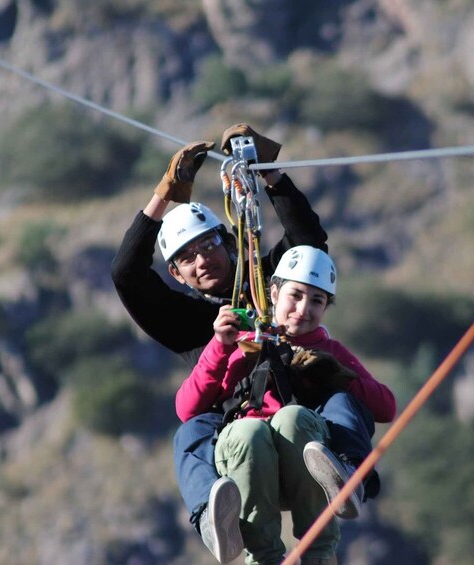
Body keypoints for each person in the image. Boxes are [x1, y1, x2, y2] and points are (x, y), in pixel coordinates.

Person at [111, 125, 331, 562]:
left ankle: (350, 476)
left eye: (208, 245)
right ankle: (212, 519)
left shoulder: (275, 284)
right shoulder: (189, 322)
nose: (201, 260)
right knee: (190, 433)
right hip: (238, 429)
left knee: (344, 398)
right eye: (186, 258)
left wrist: (271, 174)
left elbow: (307, 242)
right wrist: (165, 195)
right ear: (176, 275)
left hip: (297, 413)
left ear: (230, 243)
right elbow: (126, 274)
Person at [177, 246, 396, 565]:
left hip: (305, 461)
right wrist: (220, 347)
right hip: (248, 457)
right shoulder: (243, 344)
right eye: (296, 295)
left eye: (317, 301)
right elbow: (187, 408)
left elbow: (385, 407)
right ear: (274, 293)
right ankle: (233, 533)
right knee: (246, 431)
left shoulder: (329, 349)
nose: (303, 309)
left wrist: (337, 374)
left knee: (295, 417)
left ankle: (343, 486)